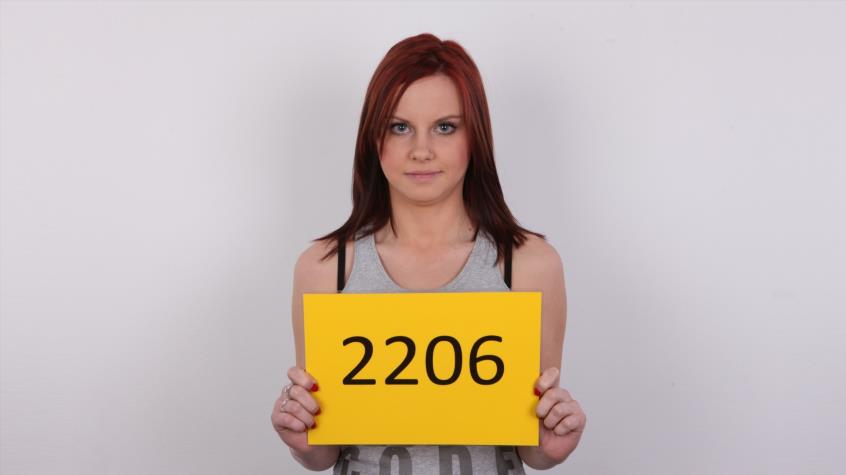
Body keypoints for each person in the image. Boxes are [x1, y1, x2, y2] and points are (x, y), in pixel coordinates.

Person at [271, 33, 586, 474]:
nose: (421, 151)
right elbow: (323, 449)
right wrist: (301, 440)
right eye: (399, 127)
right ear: (373, 137)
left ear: (475, 137)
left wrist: (552, 446)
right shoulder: (325, 270)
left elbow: (532, 445)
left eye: (445, 127)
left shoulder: (531, 266)